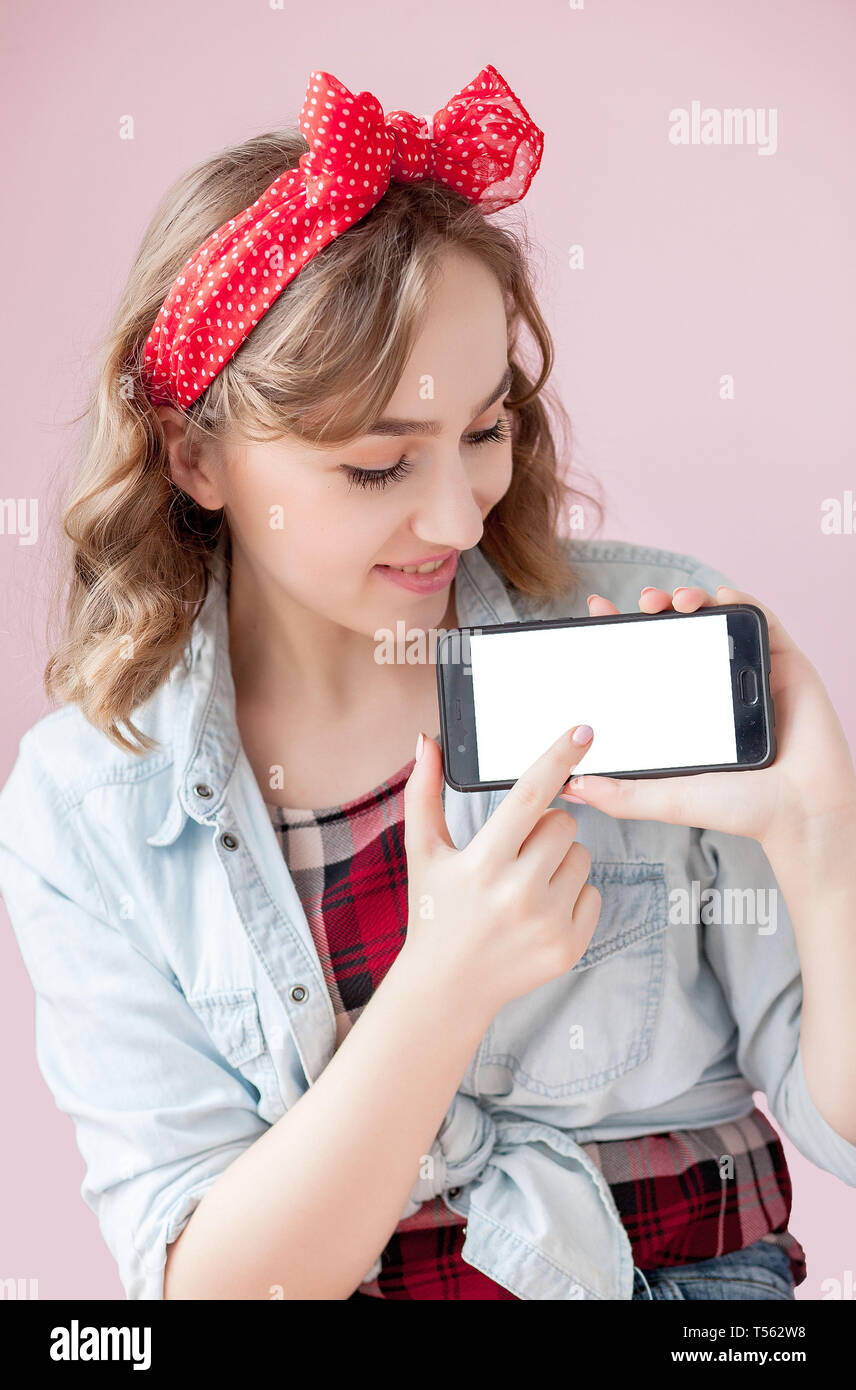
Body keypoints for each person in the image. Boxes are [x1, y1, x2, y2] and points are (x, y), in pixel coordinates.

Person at [1, 65, 854, 1302]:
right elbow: (209, 1290)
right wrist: (443, 984)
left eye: (484, 429)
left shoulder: (633, 626)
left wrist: (823, 841)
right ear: (195, 454)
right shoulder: (85, 804)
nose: (456, 515)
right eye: (375, 467)